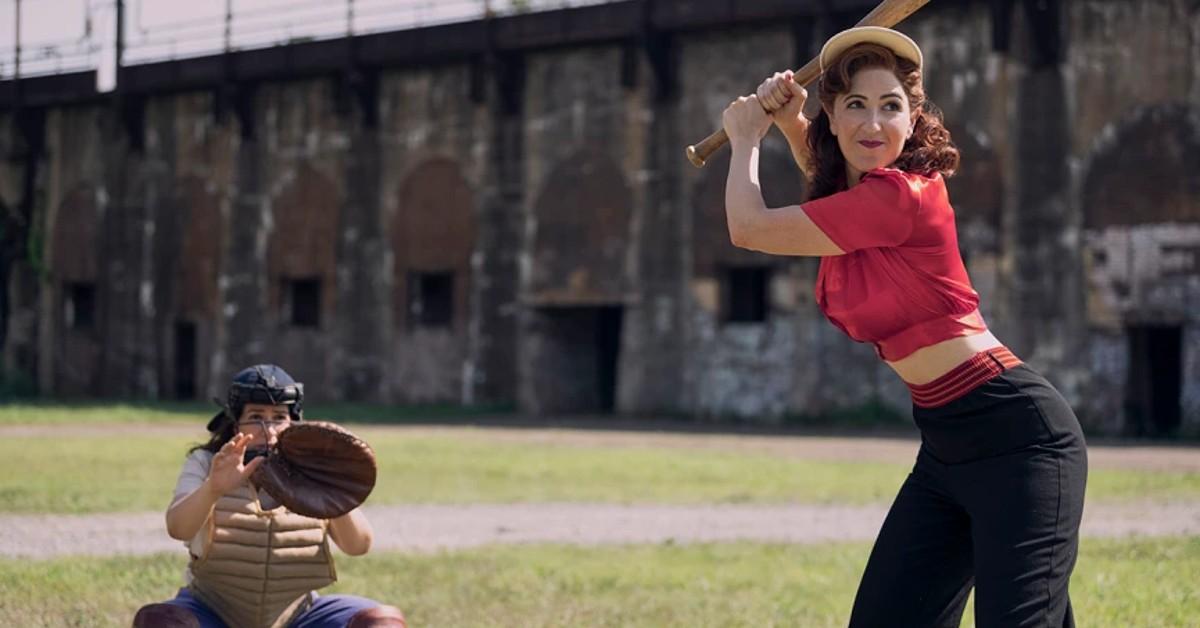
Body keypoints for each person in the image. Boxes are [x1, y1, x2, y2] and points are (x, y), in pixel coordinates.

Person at [721, 26, 1087, 627]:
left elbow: (750, 228)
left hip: (1019, 438)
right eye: (855, 106)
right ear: (832, 119)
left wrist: (745, 137)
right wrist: (791, 123)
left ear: (913, 119)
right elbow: (828, 179)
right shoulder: (860, 201)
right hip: (945, 449)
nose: (873, 123)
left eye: (891, 106)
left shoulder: (904, 198)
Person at [132, 364, 406, 628]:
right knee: (160, 623)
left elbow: (358, 546)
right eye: (256, 417)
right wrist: (213, 488)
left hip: (298, 613)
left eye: (278, 418)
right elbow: (178, 528)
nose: (269, 429)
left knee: (380, 623)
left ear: (294, 423)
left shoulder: (311, 470)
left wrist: (328, 488)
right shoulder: (206, 463)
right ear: (235, 423)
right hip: (213, 609)